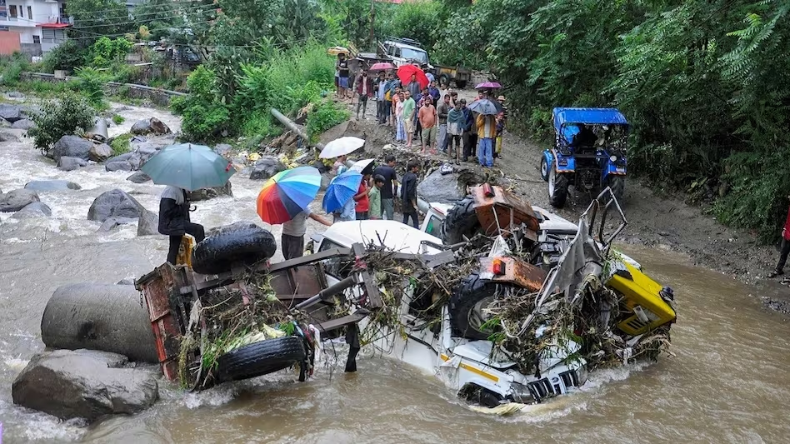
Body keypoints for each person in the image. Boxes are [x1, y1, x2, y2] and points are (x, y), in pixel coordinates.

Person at [158, 185, 205, 265]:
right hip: (170, 223)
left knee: (174, 247)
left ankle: (171, 266)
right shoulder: (171, 191)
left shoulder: (180, 189)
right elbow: (166, 212)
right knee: (199, 230)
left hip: (175, 222)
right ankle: (201, 259)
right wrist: (183, 207)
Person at [373, 155, 399, 220]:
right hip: (388, 196)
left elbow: (372, 181)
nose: (394, 164)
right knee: (389, 215)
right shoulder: (391, 170)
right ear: (389, 162)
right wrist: (395, 194)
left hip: (378, 195)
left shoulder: (377, 169)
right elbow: (395, 184)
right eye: (393, 162)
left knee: (378, 214)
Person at [769, 199, 790, 278]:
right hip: (788, 232)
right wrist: (785, 228)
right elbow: (788, 219)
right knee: (784, 251)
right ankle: (779, 269)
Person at [401, 160, 420, 228]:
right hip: (410, 203)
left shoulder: (405, 175)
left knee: (405, 219)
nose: (417, 169)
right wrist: (414, 204)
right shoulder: (413, 177)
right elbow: (411, 192)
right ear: (413, 168)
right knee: (415, 221)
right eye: (416, 167)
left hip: (404, 201)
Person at [447, 100, 464, 165]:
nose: (459, 106)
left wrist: (461, 132)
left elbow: (462, 123)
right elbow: (448, 122)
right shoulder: (451, 112)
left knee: (458, 145)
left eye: (459, 105)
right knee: (450, 145)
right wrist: (449, 131)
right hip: (451, 130)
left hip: (458, 131)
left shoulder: (461, 113)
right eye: (458, 105)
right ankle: (449, 158)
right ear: (455, 105)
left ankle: (458, 159)